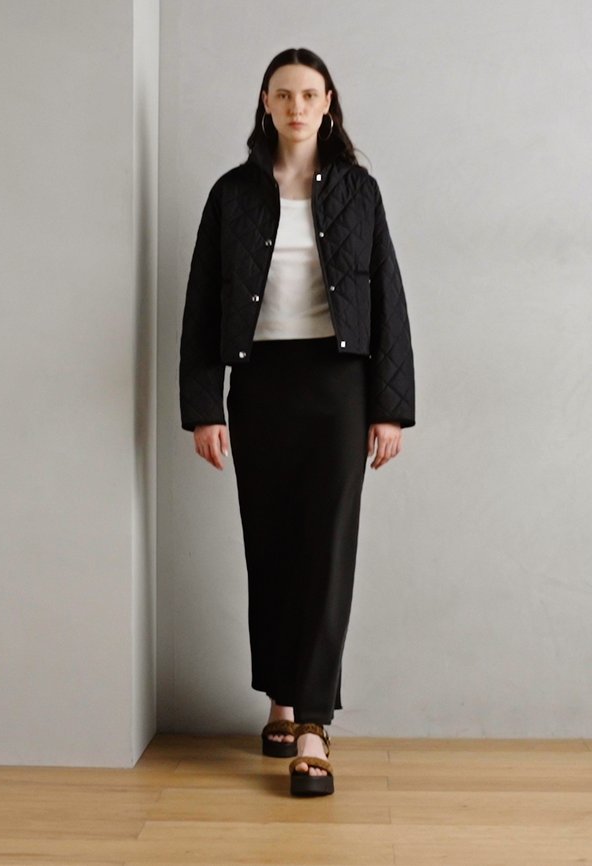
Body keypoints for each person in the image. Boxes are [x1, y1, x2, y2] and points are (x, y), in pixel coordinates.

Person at [179, 47, 415, 797]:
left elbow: (388, 298)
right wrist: (203, 408)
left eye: (310, 94)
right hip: (259, 385)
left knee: (327, 550)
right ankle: (279, 699)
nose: (297, 107)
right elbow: (201, 303)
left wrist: (390, 407)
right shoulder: (231, 194)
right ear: (265, 102)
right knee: (271, 545)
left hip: (338, 384)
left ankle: (313, 723)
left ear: (328, 103)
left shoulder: (358, 191)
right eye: (283, 94)